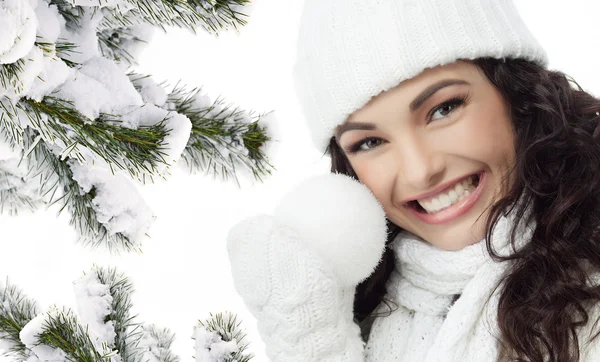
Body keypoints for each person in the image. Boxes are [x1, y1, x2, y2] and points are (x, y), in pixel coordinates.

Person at [227, 0, 600, 361]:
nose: (420, 170)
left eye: (443, 109)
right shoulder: (367, 311)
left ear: (516, 94)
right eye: (370, 142)